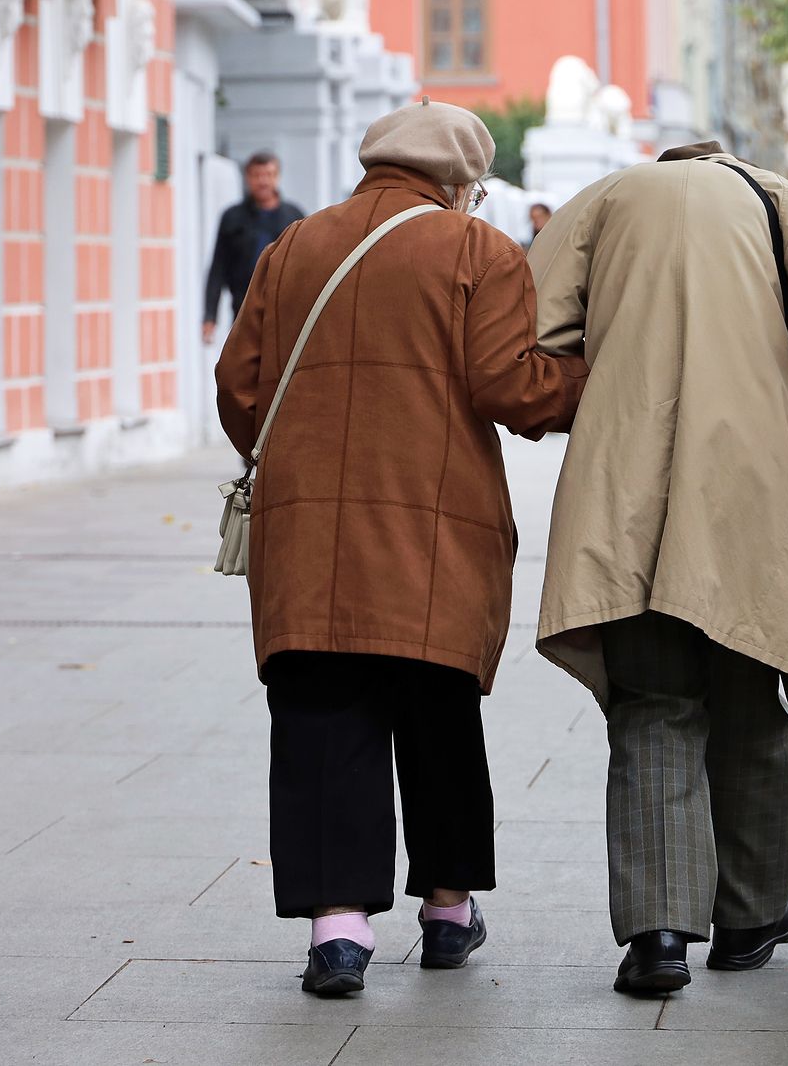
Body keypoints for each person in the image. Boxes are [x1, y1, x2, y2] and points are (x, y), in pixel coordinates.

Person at [215, 101, 589, 997]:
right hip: (435, 525)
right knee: (438, 710)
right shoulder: (477, 250)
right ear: (463, 182)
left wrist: (301, 451)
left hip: (306, 536)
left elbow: (239, 387)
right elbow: (514, 387)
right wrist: (591, 374)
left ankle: (338, 933)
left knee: (321, 719)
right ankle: (449, 910)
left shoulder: (293, 244)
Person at [527, 141, 788, 994]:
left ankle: (657, 934)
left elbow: (534, 329)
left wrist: (613, 374)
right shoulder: (786, 201)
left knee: (653, 703)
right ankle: (751, 916)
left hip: (626, 481)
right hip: (747, 478)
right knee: (754, 693)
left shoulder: (604, 199)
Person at [202, 152, 306, 344]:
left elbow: (307, 267)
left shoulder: (295, 216)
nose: (263, 181)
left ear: (277, 177)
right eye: (257, 175)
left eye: (268, 175)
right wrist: (210, 316)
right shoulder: (232, 217)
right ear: (248, 178)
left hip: (286, 308)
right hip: (243, 307)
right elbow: (218, 267)